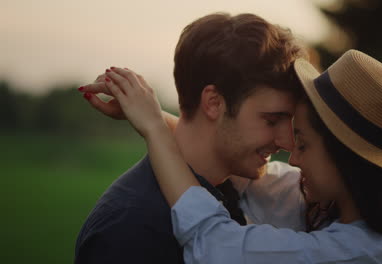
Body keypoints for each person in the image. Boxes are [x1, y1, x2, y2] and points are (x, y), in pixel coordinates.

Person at [102, 49, 382, 264]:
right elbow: (232, 155)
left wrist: (153, 129)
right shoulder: (343, 207)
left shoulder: (361, 253)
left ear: (345, 159)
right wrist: (152, 115)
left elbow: (213, 246)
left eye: (302, 142)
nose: (293, 158)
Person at [74, 12, 309, 263]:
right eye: (272, 120)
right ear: (214, 103)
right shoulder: (129, 228)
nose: (287, 142)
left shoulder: (238, 190)